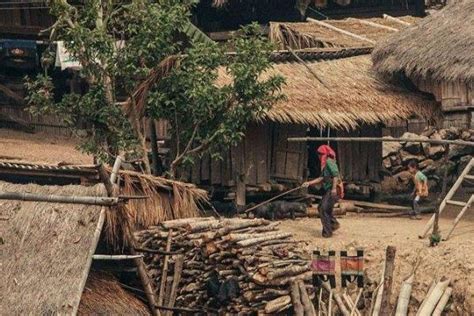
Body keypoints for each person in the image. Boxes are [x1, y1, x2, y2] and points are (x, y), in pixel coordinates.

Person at [303, 145, 342, 238]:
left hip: (334, 189)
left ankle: (327, 232)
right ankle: (333, 224)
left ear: (324, 154)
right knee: (321, 207)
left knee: (323, 209)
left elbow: (336, 175)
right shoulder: (325, 165)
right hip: (329, 189)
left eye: (320, 154)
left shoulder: (329, 162)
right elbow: (321, 178)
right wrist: (309, 183)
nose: (319, 156)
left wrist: (333, 189)